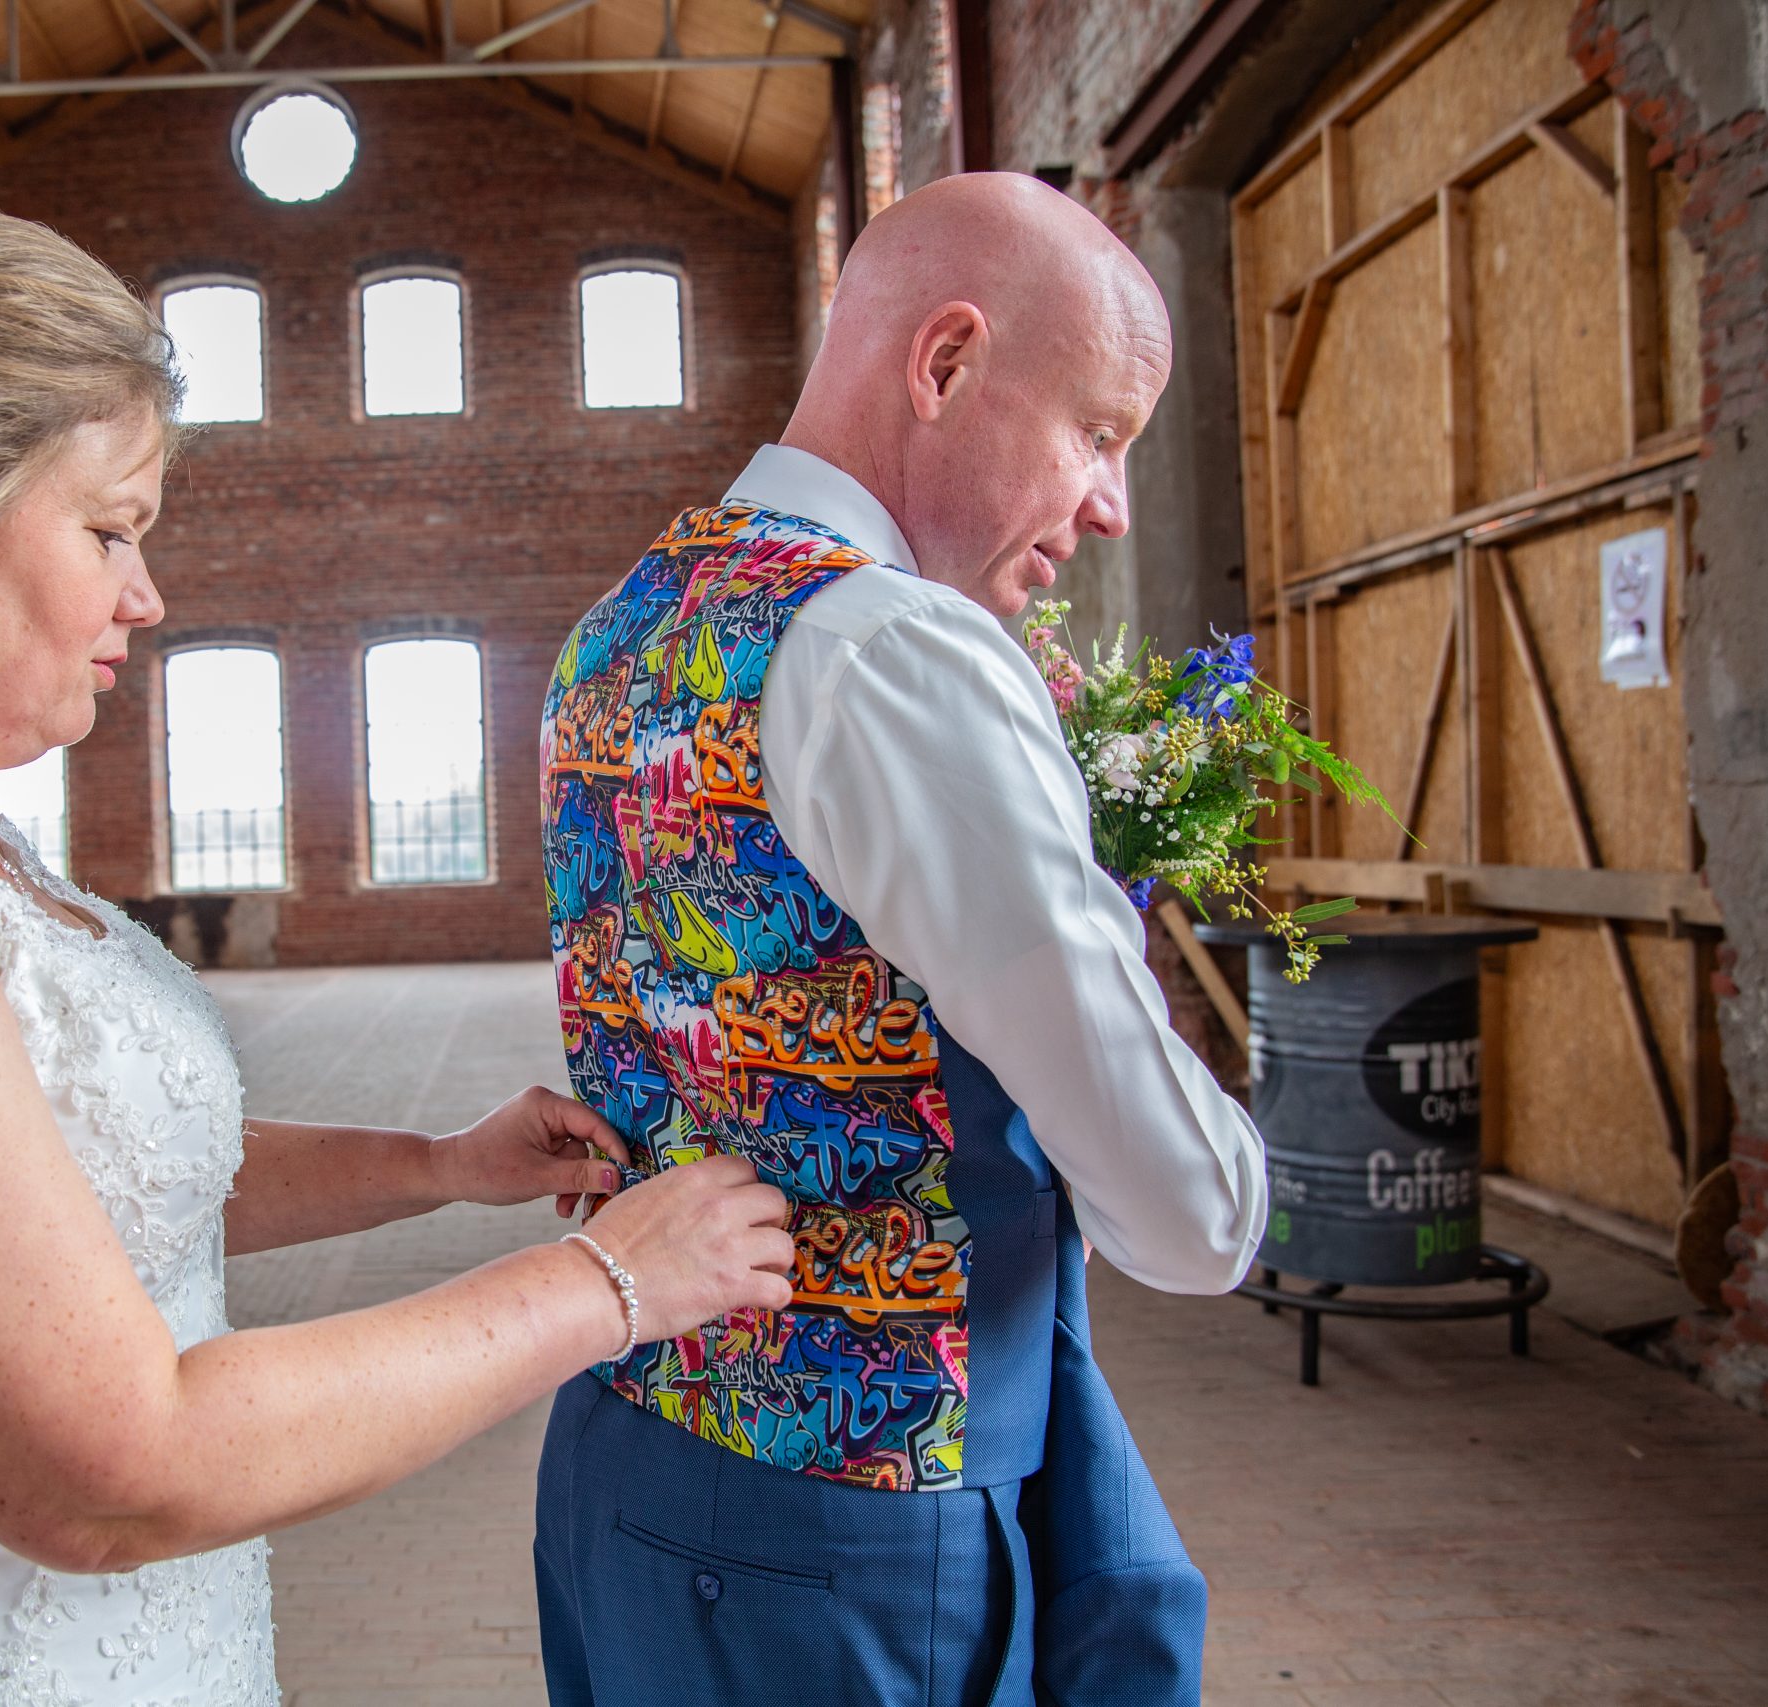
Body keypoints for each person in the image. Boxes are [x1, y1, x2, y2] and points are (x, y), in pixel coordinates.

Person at [0, 194, 796, 1706]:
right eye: (108, 530)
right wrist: (607, 1286)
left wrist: (434, 1166)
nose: (146, 595)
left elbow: (49, 1188)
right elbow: (113, 1472)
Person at [533, 171, 1268, 1706]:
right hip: (848, 1530)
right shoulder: (899, 650)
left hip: (621, 1454)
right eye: (1098, 432)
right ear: (946, 363)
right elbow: (1188, 1215)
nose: (1112, 505)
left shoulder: (617, 625)